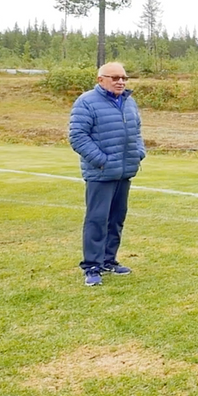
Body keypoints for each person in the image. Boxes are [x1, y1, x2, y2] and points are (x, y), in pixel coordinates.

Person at [69, 62, 146, 287]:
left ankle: (109, 260)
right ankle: (92, 266)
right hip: (100, 174)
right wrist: (102, 161)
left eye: (124, 77)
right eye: (114, 77)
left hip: (125, 171)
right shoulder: (86, 102)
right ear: (100, 79)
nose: (120, 81)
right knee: (97, 219)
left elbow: (137, 131)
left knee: (116, 219)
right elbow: (78, 136)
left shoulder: (129, 102)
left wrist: (139, 153)